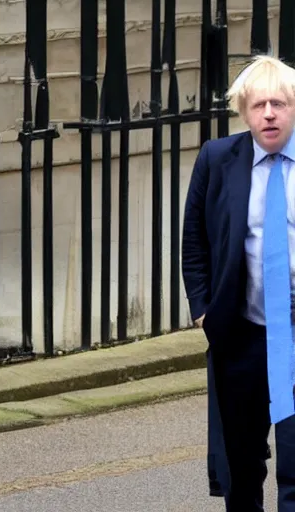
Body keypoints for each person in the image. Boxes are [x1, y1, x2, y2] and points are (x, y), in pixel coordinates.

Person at [182, 54, 295, 511]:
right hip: (242, 333)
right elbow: (194, 238)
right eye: (258, 105)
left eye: (280, 103)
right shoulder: (217, 159)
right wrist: (203, 308)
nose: (269, 113)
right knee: (241, 465)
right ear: (243, 111)